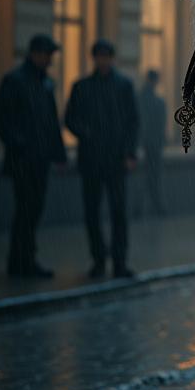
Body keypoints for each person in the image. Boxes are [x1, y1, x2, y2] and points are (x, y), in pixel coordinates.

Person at [0, 34, 67, 278]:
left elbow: (51, 122)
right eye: (47, 55)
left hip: (40, 160)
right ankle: (21, 261)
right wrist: (19, 143)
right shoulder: (15, 80)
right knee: (25, 210)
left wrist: (59, 154)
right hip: (22, 160)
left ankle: (24, 259)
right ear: (36, 54)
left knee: (33, 209)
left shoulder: (45, 83)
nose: (50, 60)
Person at [65, 40, 139, 278]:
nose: (103, 61)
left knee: (118, 212)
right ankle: (98, 259)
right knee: (92, 213)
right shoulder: (82, 87)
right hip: (91, 160)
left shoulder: (123, 86)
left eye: (106, 56)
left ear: (112, 58)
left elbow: (133, 122)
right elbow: (69, 118)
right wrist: (86, 133)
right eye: (99, 56)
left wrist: (129, 153)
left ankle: (119, 261)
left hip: (116, 160)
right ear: (94, 58)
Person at [138, 69, 167, 215]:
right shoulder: (157, 102)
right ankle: (156, 207)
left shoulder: (141, 99)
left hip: (146, 144)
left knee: (148, 177)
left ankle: (143, 208)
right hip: (152, 144)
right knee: (153, 177)